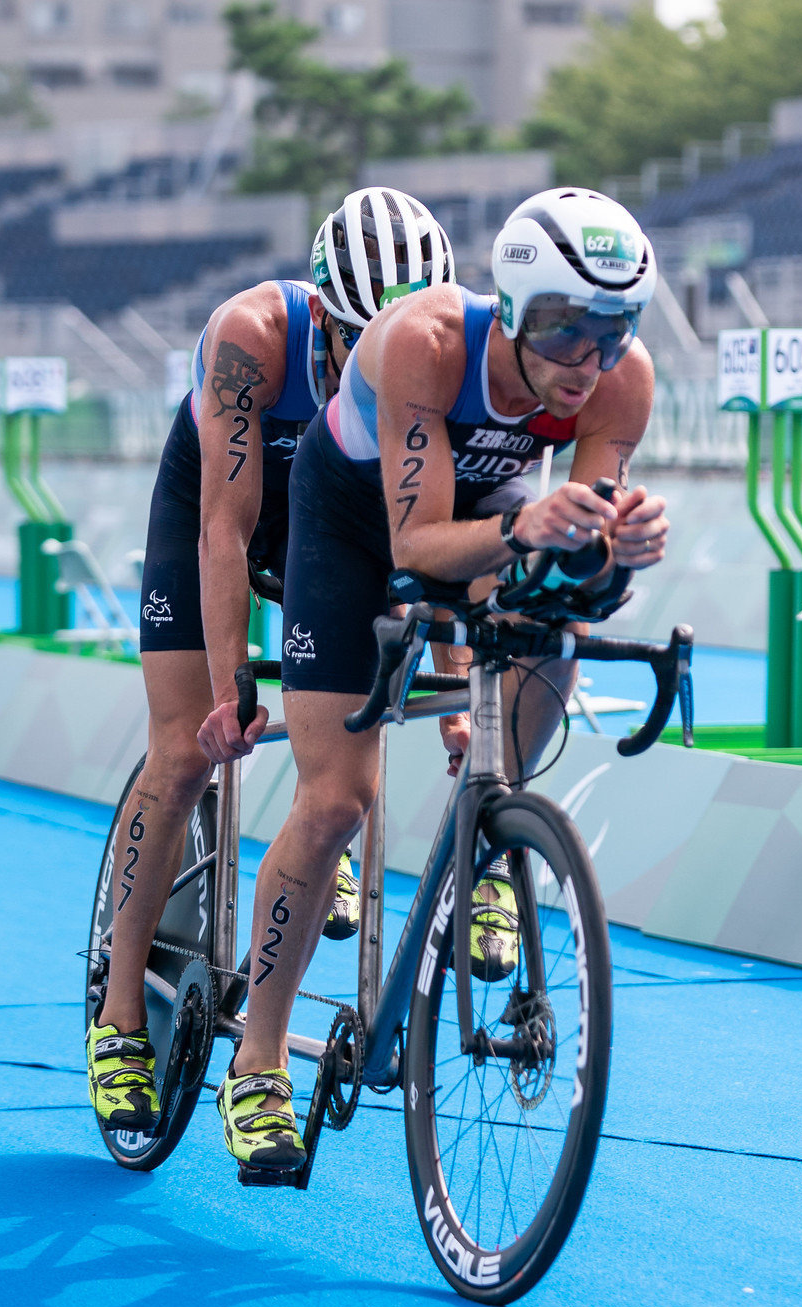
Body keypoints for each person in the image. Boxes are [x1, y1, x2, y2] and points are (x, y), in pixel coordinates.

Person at [207, 187, 671, 1174]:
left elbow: (576, 574)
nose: (585, 364)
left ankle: (485, 844)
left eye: (612, 332)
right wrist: (523, 532)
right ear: (509, 308)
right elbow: (416, 545)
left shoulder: (626, 382)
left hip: (485, 508)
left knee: (553, 630)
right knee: (337, 798)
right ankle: (256, 1064)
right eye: (561, 330)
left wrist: (619, 552)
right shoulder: (426, 341)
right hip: (349, 521)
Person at [86, 188, 454, 1132]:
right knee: (185, 753)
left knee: (344, 764)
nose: (380, 366)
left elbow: (447, 528)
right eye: (357, 345)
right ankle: (121, 1014)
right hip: (224, 511)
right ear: (326, 317)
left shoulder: (437, 354)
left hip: (342, 526)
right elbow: (224, 528)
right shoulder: (254, 337)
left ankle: (310, 848)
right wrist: (227, 687)